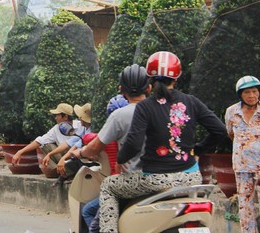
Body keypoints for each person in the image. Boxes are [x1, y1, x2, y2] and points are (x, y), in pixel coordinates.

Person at [98, 51, 227, 233]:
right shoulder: (191, 102)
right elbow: (220, 130)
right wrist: (198, 150)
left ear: (149, 80)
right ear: (176, 78)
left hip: (156, 180)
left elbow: (134, 145)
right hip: (192, 178)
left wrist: (120, 159)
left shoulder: (145, 106)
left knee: (108, 187)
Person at [62, 64, 150, 232]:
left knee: (95, 214)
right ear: (149, 88)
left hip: (135, 181)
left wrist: (79, 152)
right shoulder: (164, 111)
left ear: (121, 89)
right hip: (173, 177)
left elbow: (93, 147)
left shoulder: (118, 118)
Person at [225, 75, 260, 233]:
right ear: (240, 95)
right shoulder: (232, 112)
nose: (252, 96)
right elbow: (231, 134)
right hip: (242, 165)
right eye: (247, 92)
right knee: (245, 203)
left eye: (255, 91)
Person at [40, 103, 92, 186]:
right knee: (71, 160)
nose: (79, 118)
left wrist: (64, 158)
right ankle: (63, 175)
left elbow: (77, 146)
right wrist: (51, 154)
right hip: (77, 154)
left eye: (57, 115)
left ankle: (69, 175)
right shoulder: (85, 129)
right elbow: (71, 143)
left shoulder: (89, 130)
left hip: (90, 158)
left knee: (75, 160)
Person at [11, 103, 76, 168]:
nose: (56, 118)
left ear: (65, 117)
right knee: (46, 145)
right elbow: (40, 141)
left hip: (77, 159)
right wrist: (20, 152)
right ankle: (58, 170)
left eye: (58, 115)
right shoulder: (56, 129)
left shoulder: (80, 126)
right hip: (64, 159)